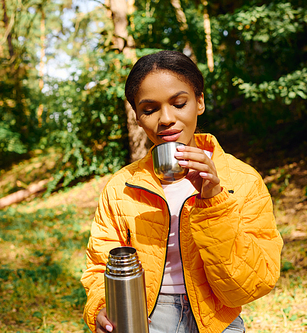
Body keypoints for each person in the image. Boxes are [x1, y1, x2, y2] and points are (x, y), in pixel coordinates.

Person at [80, 50, 283, 333]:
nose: (166, 119)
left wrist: (213, 201)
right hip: (142, 319)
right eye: (149, 109)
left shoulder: (243, 180)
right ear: (138, 117)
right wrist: (101, 307)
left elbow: (249, 286)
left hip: (217, 319)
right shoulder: (121, 187)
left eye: (179, 103)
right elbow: (100, 266)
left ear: (199, 102)